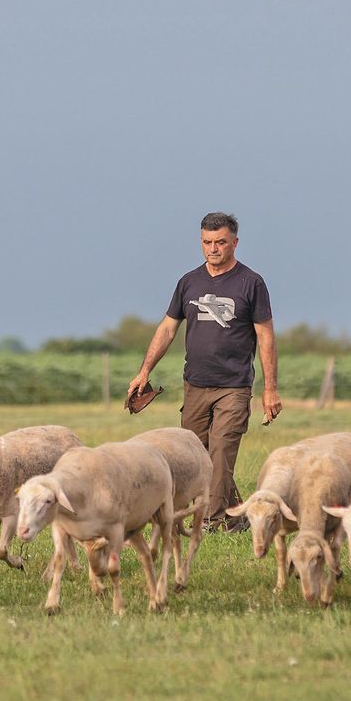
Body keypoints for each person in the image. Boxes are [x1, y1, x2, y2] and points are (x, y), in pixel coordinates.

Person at [128, 212, 282, 530]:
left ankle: (211, 521)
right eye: (207, 242)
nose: (213, 248)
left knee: (223, 448)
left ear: (234, 243)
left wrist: (270, 389)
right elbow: (168, 329)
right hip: (195, 384)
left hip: (234, 385)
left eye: (220, 242)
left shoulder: (250, 282)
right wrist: (144, 372)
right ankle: (238, 514)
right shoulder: (189, 282)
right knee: (197, 454)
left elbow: (265, 335)